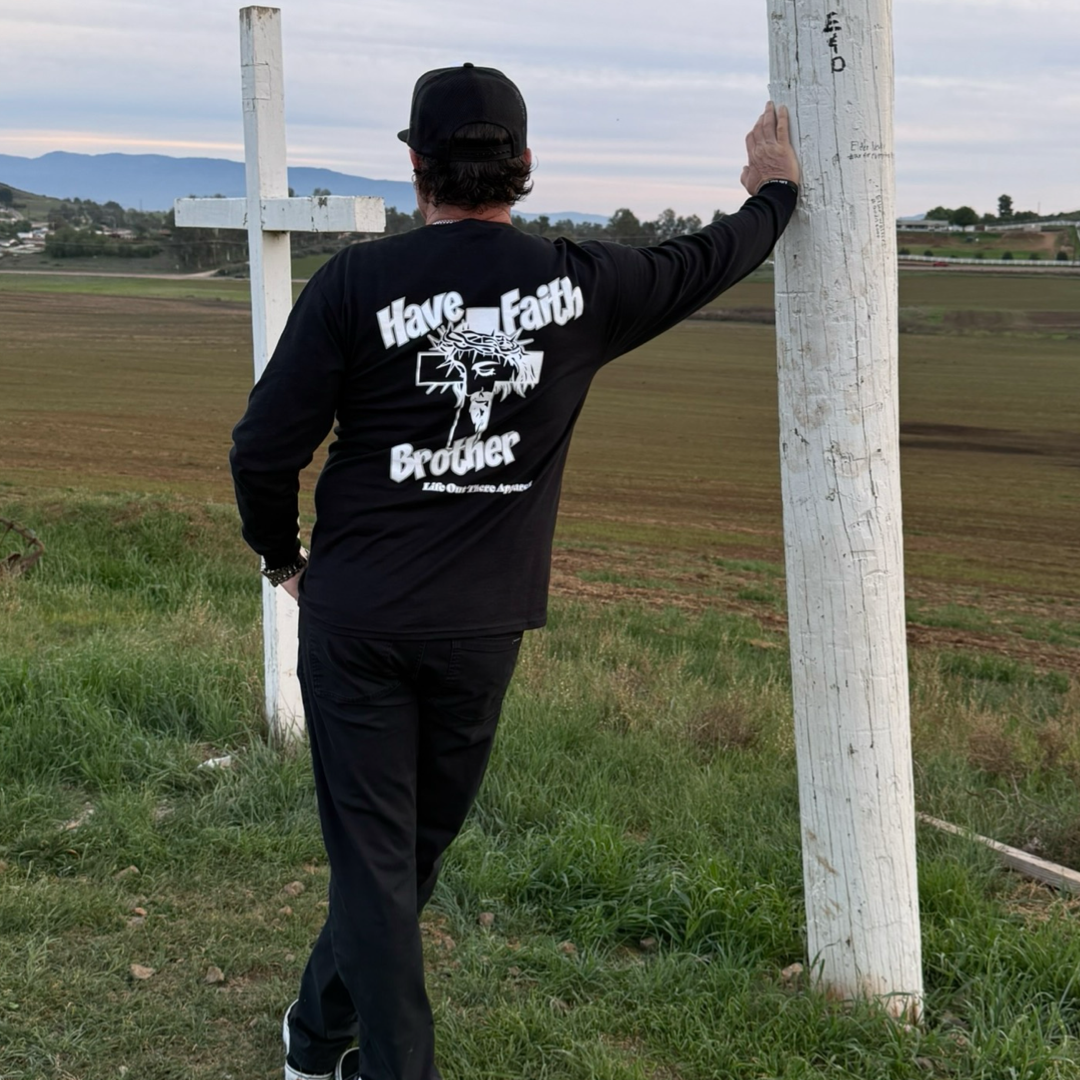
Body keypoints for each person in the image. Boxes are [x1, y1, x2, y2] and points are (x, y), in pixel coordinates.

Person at [230, 62, 800, 1080]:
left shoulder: (355, 284)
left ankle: (315, 1032)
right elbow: (706, 259)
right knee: (393, 863)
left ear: (414, 166)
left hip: (359, 616)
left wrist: (284, 558)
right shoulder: (580, 286)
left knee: (393, 864)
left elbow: (262, 450)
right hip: (475, 629)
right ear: (526, 164)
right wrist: (775, 193)